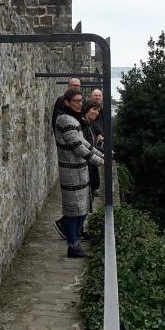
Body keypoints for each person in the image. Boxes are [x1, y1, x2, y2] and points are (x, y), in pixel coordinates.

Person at [54, 88, 104, 258]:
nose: (79, 104)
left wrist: (101, 155)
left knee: (81, 208)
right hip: (70, 171)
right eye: (75, 101)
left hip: (80, 170)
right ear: (67, 102)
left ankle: (75, 242)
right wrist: (99, 160)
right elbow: (77, 147)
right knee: (73, 210)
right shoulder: (64, 120)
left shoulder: (74, 119)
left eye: (80, 101)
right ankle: (72, 245)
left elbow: (84, 143)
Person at [82, 98, 102, 198]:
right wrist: (101, 157)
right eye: (94, 109)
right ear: (87, 108)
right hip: (85, 168)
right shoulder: (83, 125)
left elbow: (91, 145)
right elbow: (84, 147)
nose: (96, 113)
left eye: (98, 111)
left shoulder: (89, 124)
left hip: (90, 167)